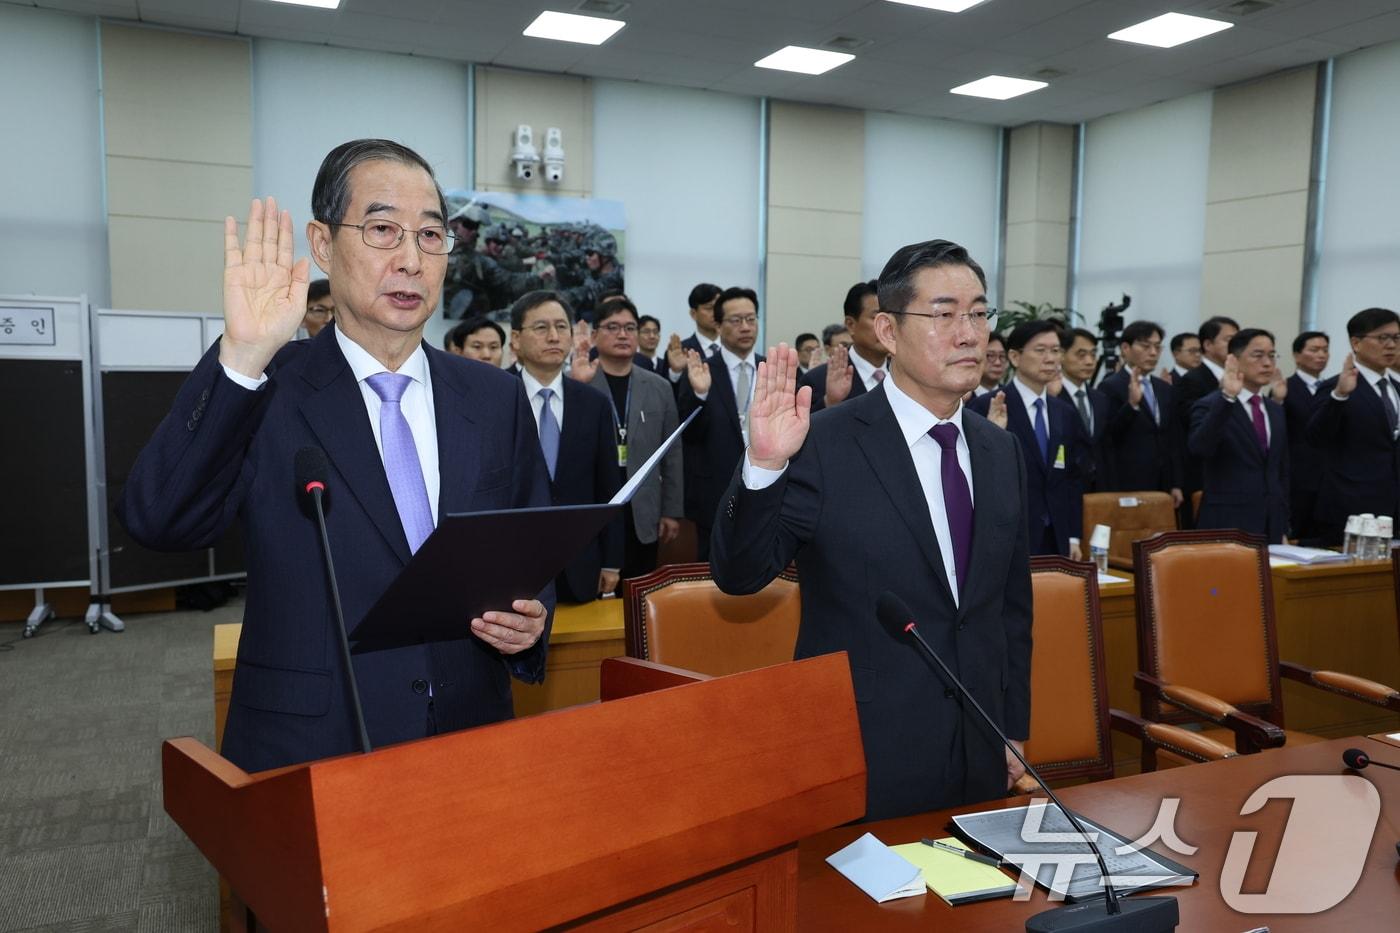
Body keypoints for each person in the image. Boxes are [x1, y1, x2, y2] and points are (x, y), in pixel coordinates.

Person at [118, 139, 552, 773]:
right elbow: (160, 519)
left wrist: (531, 620)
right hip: (313, 747)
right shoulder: (267, 388)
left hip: (469, 736)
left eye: (430, 236)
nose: (411, 260)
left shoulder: (493, 397)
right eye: (383, 230)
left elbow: (529, 546)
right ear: (322, 245)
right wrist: (243, 357)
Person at [710, 239, 1032, 822]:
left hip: (980, 744)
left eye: (979, 313)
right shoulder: (824, 443)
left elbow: (1010, 608)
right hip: (864, 747)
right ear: (887, 331)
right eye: (944, 314)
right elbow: (739, 574)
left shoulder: (999, 450)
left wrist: (1011, 727)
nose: (969, 334)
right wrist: (763, 465)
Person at [509, 290, 623, 602]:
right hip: (512, 561)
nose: (554, 336)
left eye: (561, 327)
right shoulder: (494, 396)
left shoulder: (594, 403)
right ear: (516, 339)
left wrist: (611, 560)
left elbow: (608, 485)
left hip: (579, 563)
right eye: (541, 327)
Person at [568, 298, 684, 578]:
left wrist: (671, 510)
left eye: (630, 328)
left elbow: (672, 453)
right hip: (594, 507)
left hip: (642, 510)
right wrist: (577, 386)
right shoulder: (578, 383)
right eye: (613, 327)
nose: (623, 335)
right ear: (594, 335)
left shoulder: (659, 386)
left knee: (638, 588)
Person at [970, 321, 1088, 557]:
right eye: (1040, 350)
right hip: (1009, 534)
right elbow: (975, 475)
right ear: (1015, 357)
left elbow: (1072, 479)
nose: (1050, 359)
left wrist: (1073, 536)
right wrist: (993, 435)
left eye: (1055, 351)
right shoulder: (987, 406)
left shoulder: (1064, 411)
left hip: (1055, 536)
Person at [678, 287, 764, 561]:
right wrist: (700, 395)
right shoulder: (700, 370)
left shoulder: (771, 369)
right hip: (713, 493)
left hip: (765, 489)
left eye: (751, 319)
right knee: (712, 568)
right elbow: (688, 435)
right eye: (736, 320)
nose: (745, 327)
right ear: (718, 325)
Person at [1306, 308, 1400, 545]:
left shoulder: (1396, 389)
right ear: (1356, 343)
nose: (1391, 345)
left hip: (1393, 510)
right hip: (1351, 509)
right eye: (1382, 338)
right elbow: (1316, 437)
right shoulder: (1336, 387)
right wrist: (1340, 396)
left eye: (1396, 338)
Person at [1189, 329, 1289, 542]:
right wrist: (1228, 397)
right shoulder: (1212, 405)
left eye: (1272, 355)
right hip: (1227, 523)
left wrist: (1282, 525)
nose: (1267, 363)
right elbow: (1200, 448)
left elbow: (1281, 470)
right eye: (1257, 355)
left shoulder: (1275, 409)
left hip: (1270, 524)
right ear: (1233, 360)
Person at [1100, 320, 1184, 504]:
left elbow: (1173, 438)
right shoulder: (1110, 386)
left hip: (1163, 482)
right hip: (1128, 482)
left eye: (1157, 347)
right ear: (1125, 348)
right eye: (1146, 346)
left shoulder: (1164, 388)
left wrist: (1176, 483)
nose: (1153, 353)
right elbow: (1108, 436)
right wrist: (1132, 405)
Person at [1174, 316, 1239, 523]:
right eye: (1229, 339)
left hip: (1233, 469)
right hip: (1203, 472)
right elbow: (1193, 426)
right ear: (1208, 345)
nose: (1235, 345)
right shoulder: (1192, 380)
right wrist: (1224, 395)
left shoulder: (1240, 378)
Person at [803, 280, 890, 413]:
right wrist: (830, 402)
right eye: (877, 317)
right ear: (850, 325)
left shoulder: (907, 376)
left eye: (892, 316)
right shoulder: (817, 380)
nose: (888, 326)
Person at [1056, 326, 1113, 491]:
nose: (1089, 361)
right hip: (1065, 486)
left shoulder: (1100, 398)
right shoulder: (1052, 396)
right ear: (1061, 355)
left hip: (1099, 487)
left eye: (1093, 354)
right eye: (1081, 355)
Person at [1285, 331, 1330, 542]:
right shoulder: (1285, 388)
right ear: (1297, 355)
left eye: (1325, 350)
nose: (1321, 355)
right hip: (1298, 475)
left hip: (1328, 476)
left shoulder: (1334, 387)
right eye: (1314, 350)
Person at [663, 283, 722, 385]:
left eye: (719, 307)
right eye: (709, 308)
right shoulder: (681, 351)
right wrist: (676, 372)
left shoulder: (734, 347)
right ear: (693, 314)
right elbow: (666, 391)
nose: (716, 313)